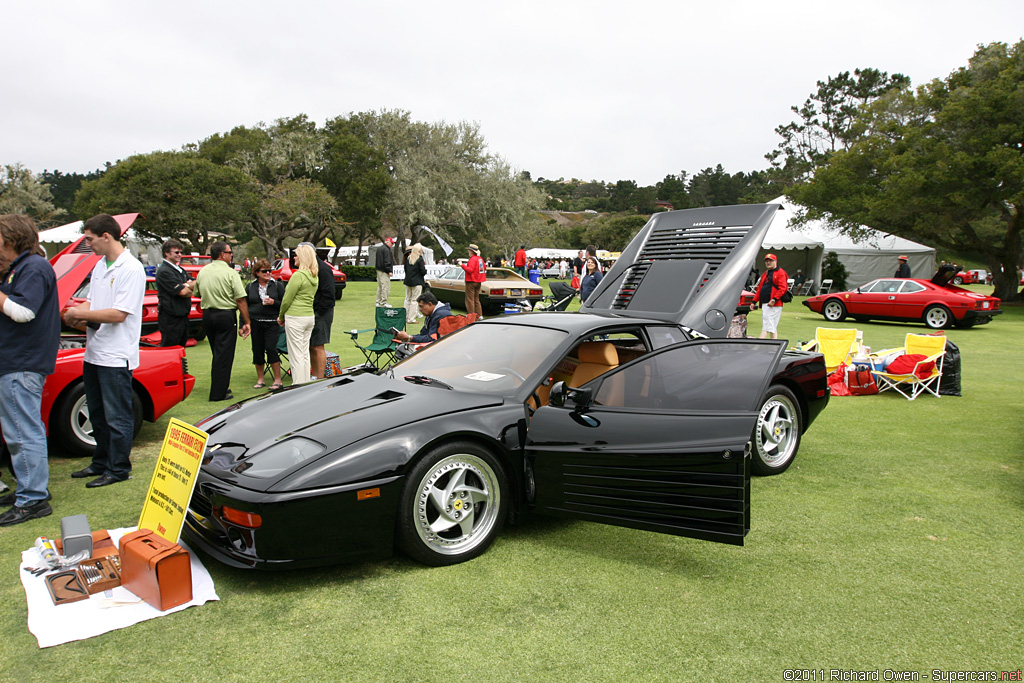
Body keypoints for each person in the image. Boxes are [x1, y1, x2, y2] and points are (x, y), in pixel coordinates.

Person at [63, 214, 146, 488]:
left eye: (90, 238)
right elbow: (92, 302)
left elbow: (120, 313)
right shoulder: (100, 265)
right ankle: (101, 462)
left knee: (117, 415)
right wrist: (74, 313)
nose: (88, 244)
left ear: (106, 236)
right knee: (97, 412)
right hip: (95, 351)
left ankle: (118, 467)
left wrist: (80, 314)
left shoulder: (131, 269)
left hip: (115, 353)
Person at [0, 215, 60, 523]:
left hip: (20, 360)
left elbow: (23, 312)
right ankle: (31, 489)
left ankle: (33, 498)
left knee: (23, 431)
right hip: (17, 360)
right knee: (20, 430)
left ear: (11, 239)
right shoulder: (23, 267)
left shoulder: (33, 267)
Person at [193, 241, 251, 402]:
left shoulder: (203, 271)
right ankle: (218, 393)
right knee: (224, 355)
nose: (231, 255)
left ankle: (222, 386)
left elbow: (197, 292)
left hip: (208, 315)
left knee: (217, 353)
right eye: (229, 252)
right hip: (225, 315)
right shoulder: (230, 273)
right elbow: (240, 299)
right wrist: (246, 321)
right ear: (222, 254)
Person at [278, 243, 318, 384]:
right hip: (308, 317)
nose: (294, 257)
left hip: (296, 317)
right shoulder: (314, 276)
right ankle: (305, 382)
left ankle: (298, 384)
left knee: (296, 354)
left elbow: (286, 299)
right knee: (304, 353)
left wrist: (281, 316)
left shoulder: (298, 276)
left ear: (303, 257)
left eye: (296, 255)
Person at [246, 258, 284, 390]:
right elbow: (245, 306)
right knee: (257, 350)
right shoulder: (250, 286)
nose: (267, 273)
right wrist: (244, 323)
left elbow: (284, 304)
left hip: (272, 322)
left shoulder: (277, 285)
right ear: (256, 272)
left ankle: (277, 380)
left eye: (269, 270)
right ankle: (260, 379)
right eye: (264, 271)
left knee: (271, 348)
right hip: (256, 322)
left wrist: (274, 303)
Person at [154, 238, 195, 347]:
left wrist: (186, 285)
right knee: (170, 347)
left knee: (181, 347)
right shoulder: (164, 271)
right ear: (167, 253)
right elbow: (183, 292)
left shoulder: (179, 269)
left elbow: (197, 283)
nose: (179, 255)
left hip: (183, 315)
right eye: (176, 252)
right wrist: (187, 286)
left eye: (181, 252)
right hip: (171, 317)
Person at [309, 246, 335, 380]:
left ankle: (320, 377)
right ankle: (314, 375)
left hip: (322, 313)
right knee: (311, 346)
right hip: (313, 312)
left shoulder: (323, 268)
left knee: (318, 345)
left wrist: (319, 311)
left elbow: (329, 294)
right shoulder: (310, 268)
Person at [750, 253, 788, 340]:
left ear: (775, 261)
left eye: (770, 261)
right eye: (766, 261)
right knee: (771, 326)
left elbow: (783, 288)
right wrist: (754, 301)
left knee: (767, 325)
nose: (768, 263)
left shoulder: (780, 273)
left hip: (774, 304)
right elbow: (760, 288)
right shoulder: (766, 273)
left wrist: (774, 299)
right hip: (765, 303)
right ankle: (774, 346)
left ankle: (760, 344)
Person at [403, 243, 427, 325]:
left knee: (407, 299)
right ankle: (411, 318)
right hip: (417, 282)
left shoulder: (408, 259)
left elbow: (405, 269)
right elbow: (423, 271)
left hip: (408, 281)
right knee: (414, 300)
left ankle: (405, 317)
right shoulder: (419, 259)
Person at [461, 243, 486, 318]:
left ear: (471, 251)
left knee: (470, 300)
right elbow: (484, 268)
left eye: (469, 250)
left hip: (471, 281)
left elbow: (470, 270)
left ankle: (471, 315)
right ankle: (479, 315)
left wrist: (462, 265)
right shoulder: (480, 259)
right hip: (479, 281)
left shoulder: (472, 259)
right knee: (476, 299)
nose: (468, 252)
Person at [375, 237, 395, 307]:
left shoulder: (379, 248)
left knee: (380, 286)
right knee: (385, 286)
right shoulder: (386, 250)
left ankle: (378, 301)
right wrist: (389, 270)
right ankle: (383, 302)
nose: (392, 244)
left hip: (379, 269)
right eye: (391, 243)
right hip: (384, 270)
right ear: (387, 242)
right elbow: (387, 261)